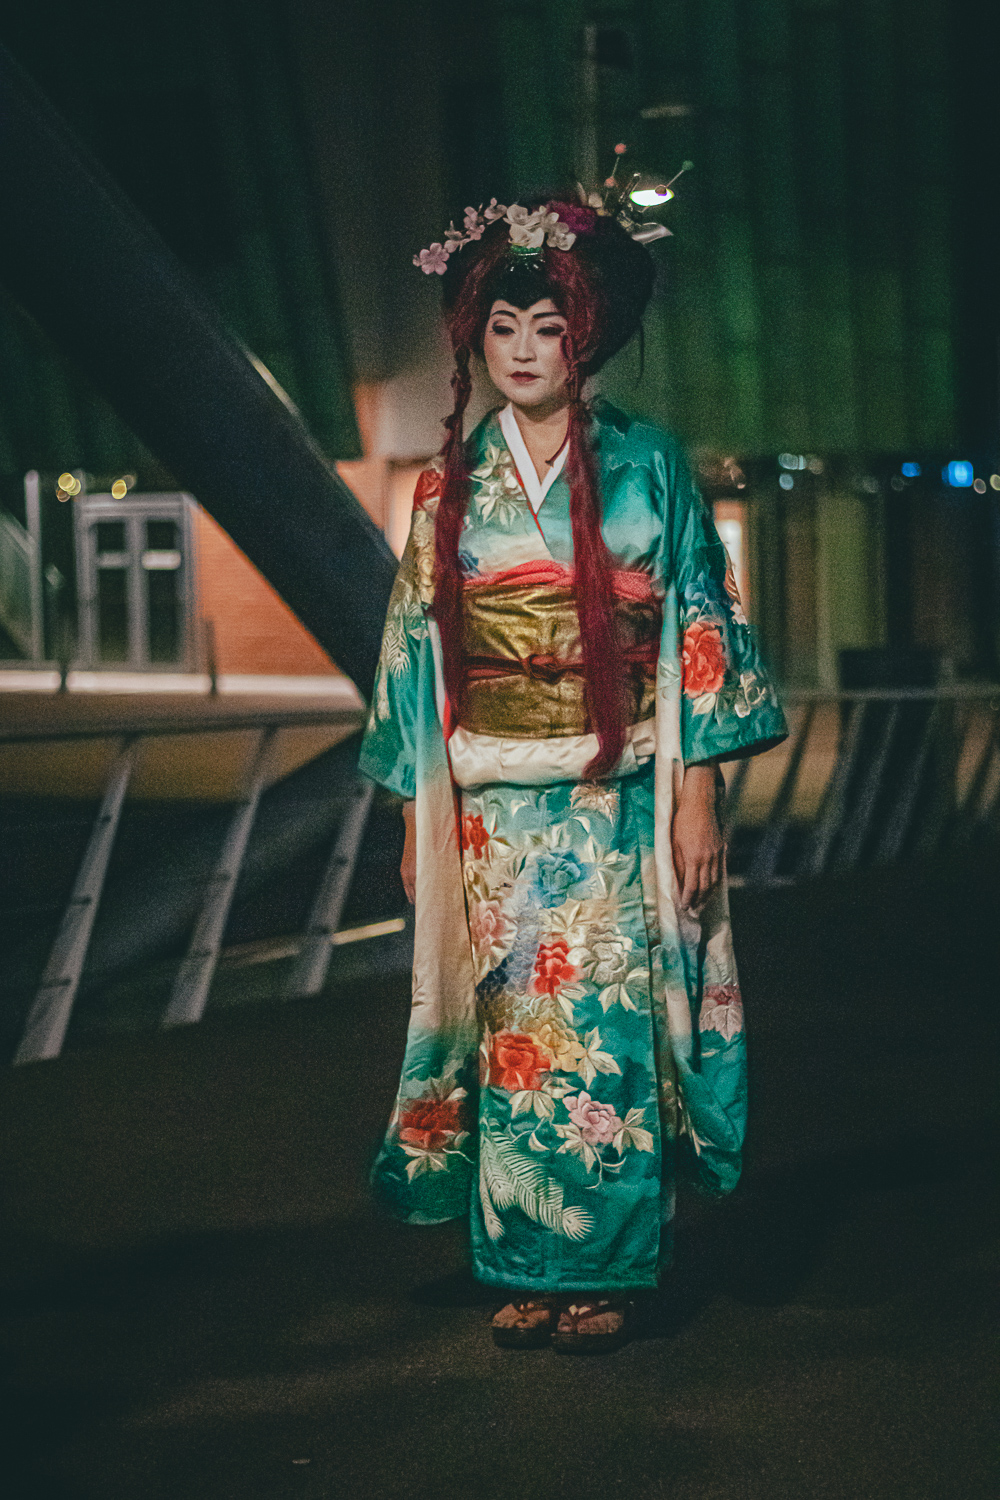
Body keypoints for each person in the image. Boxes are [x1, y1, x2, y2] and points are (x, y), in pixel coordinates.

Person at [359, 189, 786, 1352]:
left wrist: (697, 796)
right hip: (493, 809)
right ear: (475, 339)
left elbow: (696, 627)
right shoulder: (449, 485)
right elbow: (413, 652)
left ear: (583, 336)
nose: (524, 355)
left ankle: (606, 1268)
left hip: (616, 798)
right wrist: (413, 813)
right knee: (512, 1035)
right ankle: (521, 1261)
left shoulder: (647, 465)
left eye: (546, 331)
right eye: (503, 333)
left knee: (603, 1027)